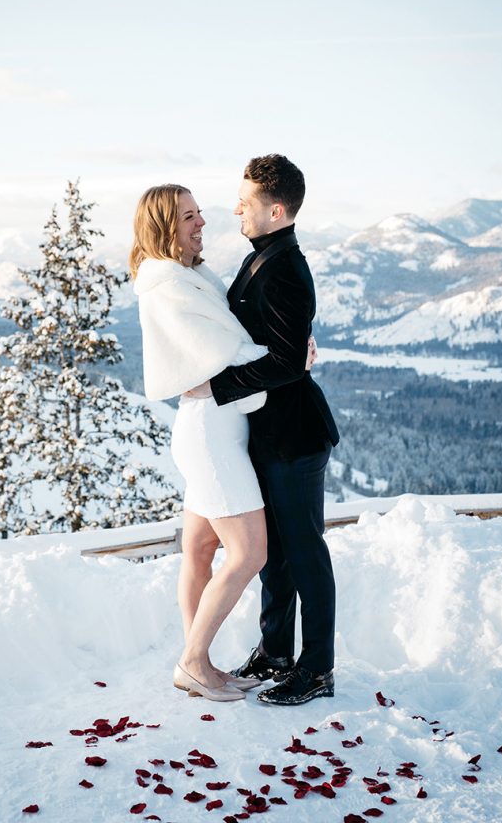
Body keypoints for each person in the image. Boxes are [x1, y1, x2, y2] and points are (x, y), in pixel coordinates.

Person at [130, 184, 316, 703]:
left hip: (209, 425)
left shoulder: (187, 277)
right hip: (212, 435)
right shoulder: (170, 287)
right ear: (166, 225)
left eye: (198, 212)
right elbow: (225, 353)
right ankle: (192, 663)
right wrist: (288, 355)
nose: (201, 222)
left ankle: (198, 662)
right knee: (250, 551)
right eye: (188, 216)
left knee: (201, 547)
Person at [185, 154, 340, 706]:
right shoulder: (262, 258)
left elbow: (286, 362)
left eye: (245, 202)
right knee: (273, 554)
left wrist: (215, 386)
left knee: (304, 553)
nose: (235, 210)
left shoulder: (286, 267)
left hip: (295, 439)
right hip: (266, 433)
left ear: (276, 210)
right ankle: (276, 651)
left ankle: (316, 669)